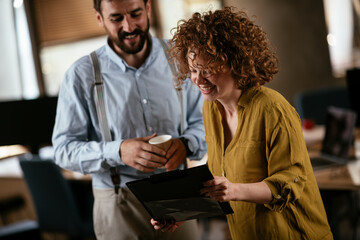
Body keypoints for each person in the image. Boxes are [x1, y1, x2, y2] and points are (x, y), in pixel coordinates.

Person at [151, 7, 333, 239]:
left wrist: (234, 190)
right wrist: (179, 212)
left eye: (207, 70)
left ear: (236, 63)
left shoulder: (272, 109)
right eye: (194, 70)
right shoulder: (211, 108)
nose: (198, 79)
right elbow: (220, 185)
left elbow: (290, 184)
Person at [51, 0, 206, 239]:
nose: (129, 26)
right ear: (99, 18)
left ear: (148, 9)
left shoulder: (181, 58)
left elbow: (207, 121)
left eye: (135, 14)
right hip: (117, 202)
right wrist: (118, 151)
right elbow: (63, 150)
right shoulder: (80, 74)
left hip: (178, 194)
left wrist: (187, 144)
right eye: (116, 19)